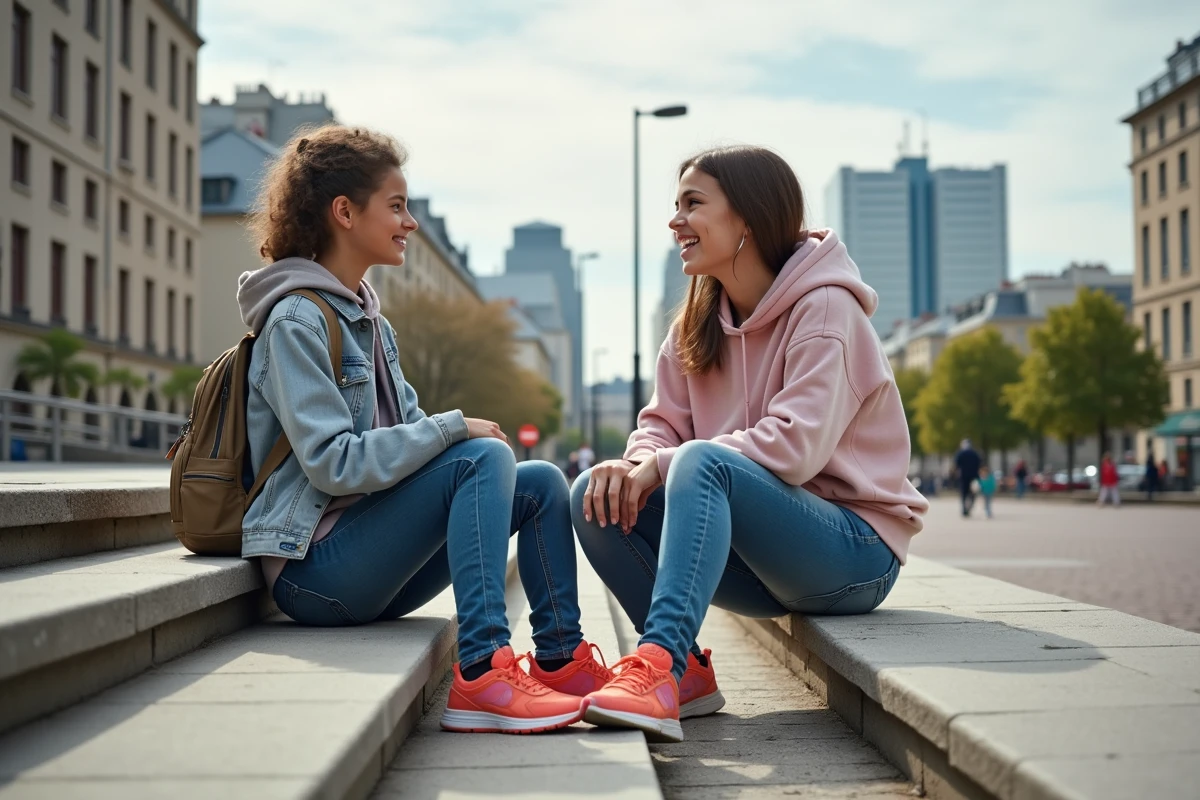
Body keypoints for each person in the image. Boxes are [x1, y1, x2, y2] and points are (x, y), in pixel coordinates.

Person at [238, 124, 612, 735]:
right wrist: (453, 429)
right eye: (396, 206)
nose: (410, 222)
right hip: (315, 572)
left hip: (371, 557)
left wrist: (449, 434)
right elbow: (334, 464)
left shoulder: (370, 324)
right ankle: (484, 674)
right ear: (344, 213)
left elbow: (413, 438)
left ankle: (560, 661)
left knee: (540, 481)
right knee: (481, 456)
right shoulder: (295, 321)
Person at [570, 146, 927, 742]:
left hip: (855, 551)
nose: (675, 220)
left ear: (748, 218)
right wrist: (634, 463)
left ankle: (657, 663)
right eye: (675, 204)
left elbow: (796, 448)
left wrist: (666, 462)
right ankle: (684, 681)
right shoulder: (693, 324)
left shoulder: (826, 309)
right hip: (763, 557)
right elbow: (662, 425)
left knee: (702, 461)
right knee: (594, 491)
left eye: (693, 204)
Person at [955, 439, 982, 517]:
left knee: (964, 494)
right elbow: (979, 463)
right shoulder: (975, 454)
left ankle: (964, 509)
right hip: (974, 476)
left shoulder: (961, 453)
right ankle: (969, 507)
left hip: (963, 476)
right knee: (973, 493)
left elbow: (957, 464)